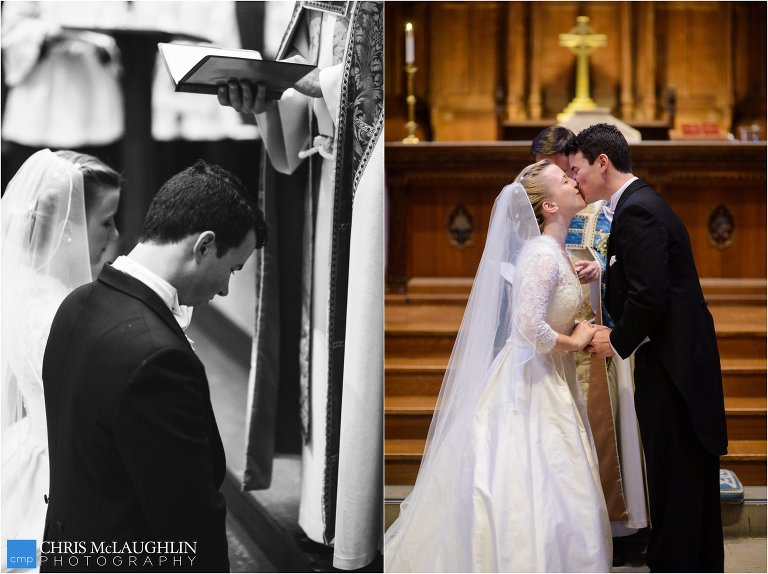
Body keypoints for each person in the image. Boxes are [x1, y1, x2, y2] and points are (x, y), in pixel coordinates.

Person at [217, 2, 383, 569]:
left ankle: (357, 523)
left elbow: (383, 88)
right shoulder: (320, 6)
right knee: (326, 345)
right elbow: (297, 115)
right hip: (326, 187)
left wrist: (323, 82)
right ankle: (323, 511)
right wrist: (268, 100)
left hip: (371, 197)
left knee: (357, 343)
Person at [384, 160, 611, 572]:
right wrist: (575, 339)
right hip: (531, 380)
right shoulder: (541, 254)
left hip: (549, 377)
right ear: (550, 208)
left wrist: (577, 316)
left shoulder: (555, 250)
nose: (574, 180)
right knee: (529, 481)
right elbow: (528, 328)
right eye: (564, 180)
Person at [40, 160, 267, 572]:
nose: (225, 288)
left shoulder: (76, 304)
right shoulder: (158, 359)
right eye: (232, 267)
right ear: (203, 245)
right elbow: (186, 521)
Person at [569, 123, 727, 572]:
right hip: (680, 357)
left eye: (578, 170)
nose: (576, 179)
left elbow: (650, 296)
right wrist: (607, 272)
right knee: (681, 479)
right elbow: (649, 275)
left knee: (674, 477)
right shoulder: (640, 203)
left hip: (673, 368)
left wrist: (614, 341)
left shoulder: (636, 210)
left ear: (603, 163)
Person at [532, 126, 649, 553]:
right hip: (559, 339)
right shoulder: (541, 220)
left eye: (570, 172)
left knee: (606, 424)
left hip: (598, 331)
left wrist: (600, 269)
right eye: (562, 174)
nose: (571, 180)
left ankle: (616, 525)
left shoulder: (607, 211)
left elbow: (624, 261)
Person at [1, 149, 120, 557]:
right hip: (57, 473)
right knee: (35, 554)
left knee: (18, 551)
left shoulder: (26, 288)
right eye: (107, 221)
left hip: (28, 454)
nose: (117, 236)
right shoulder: (56, 315)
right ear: (70, 229)